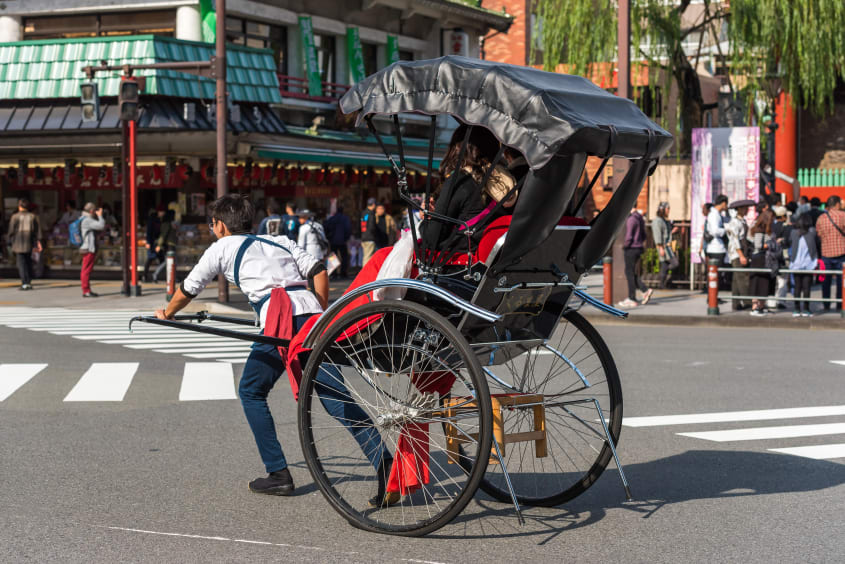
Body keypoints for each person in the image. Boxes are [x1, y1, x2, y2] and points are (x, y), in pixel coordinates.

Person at [153, 194, 388, 497]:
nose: (213, 230)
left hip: (280, 321)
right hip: (312, 316)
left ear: (220, 225)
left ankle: (278, 473)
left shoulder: (220, 248)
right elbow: (318, 270)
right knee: (335, 396)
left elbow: (189, 288)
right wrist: (318, 312)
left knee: (251, 391)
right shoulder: (280, 241)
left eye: (213, 225)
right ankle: (387, 466)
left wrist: (167, 313)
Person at [815, 195, 845, 312]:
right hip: (842, 252)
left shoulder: (821, 218)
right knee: (841, 280)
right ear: (837, 204)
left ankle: (826, 304)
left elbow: (819, 234)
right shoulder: (843, 216)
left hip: (826, 253)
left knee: (826, 280)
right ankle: (840, 303)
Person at [618, 207, 653, 308]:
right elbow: (644, 235)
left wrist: (625, 246)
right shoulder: (640, 218)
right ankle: (644, 290)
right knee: (632, 272)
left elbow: (629, 237)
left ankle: (632, 298)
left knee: (629, 273)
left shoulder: (631, 219)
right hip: (639, 248)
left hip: (631, 249)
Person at [6, 198, 42, 291]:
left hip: (18, 243)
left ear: (20, 206)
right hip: (29, 242)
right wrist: (38, 242)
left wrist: (9, 240)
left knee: (21, 264)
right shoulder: (33, 216)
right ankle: (28, 281)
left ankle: (24, 282)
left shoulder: (15, 217)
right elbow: (37, 231)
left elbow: (11, 231)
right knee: (28, 262)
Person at [789, 213, 819, 317]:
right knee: (807, 287)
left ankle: (796, 309)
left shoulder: (793, 233)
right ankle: (806, 309)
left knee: (797, 287)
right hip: (809, 264)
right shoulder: (812, 232)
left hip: (796, 263)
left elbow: (789, 242)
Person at [725, 199, 753, 311]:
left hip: (741, 251)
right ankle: (747, 302)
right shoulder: (734, 223)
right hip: (737, 253)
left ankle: (735, 304)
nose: (747, 210)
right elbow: (735, 240)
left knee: (736, 280)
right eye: (745, 208)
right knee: (742, 278)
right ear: (739, 209)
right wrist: (741, 255)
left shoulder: (742, 221)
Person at [748, 209, 774, 315]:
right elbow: (757, 245)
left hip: (763, 258)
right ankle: (755, 306)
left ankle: (762, 305)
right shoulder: (759, 230)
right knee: (757, 282)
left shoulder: (766, 229)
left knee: (764, 282)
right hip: (759, 257)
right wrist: (771, 245)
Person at [79, 202, 105, 298]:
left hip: (85, 248)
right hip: (88, 249)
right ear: (91, 211)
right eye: (94, 210)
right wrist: (100, 216)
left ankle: (86, 289)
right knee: (86, 270)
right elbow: (101, 225)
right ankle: (86, 290)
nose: (95, 212)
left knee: (85, 269)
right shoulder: (87, 220)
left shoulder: (83, 218)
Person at [651, 201, 677, 289]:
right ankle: (663, 282)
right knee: (674, 263)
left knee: (665, 265)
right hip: (663, 247)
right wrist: (660, 247)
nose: (668, 211)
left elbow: (666, 233)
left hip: (667, 246)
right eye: (667, 209)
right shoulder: (657, 221)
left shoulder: (663, 220)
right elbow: (658, 235)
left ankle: (662, 284)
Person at [324, 205, 351, 278]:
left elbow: (326, 227)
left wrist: (329, 237)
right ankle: (343, 272)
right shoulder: (345, 218)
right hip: (342, 241)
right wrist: (346, 238)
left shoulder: (332, 218)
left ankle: (333, 272)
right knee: (344, 257)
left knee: (333, 256)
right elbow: (348, 229)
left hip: (333, 241)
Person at [152, 209, 177, 283]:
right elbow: (163, 235)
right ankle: (155, 274)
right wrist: (159, 245)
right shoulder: (167, 224)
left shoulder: (169, 223)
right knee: (168, 262)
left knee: (170, 262)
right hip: (169, 245)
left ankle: (172, 277)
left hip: (170, 244)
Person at [143, 205, 164, 283]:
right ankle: (145, 276)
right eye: (162, 212)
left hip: (156, 243)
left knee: (161, 259)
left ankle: (153, 275)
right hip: (152, 242)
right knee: (150, 259)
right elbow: (149, 231)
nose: (163, 213)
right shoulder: (152, 220)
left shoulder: (159, 219)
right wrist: (148, 242)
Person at [360, 198, 378, 265]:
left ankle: (365, 272)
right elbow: (371, 227)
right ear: (373, 205)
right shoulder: (371, 214)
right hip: (369, 238)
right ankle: (365, 273)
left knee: (365, 256)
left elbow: (360, 226)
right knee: (368, 258)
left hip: (363, 237)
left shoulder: (364, 213)